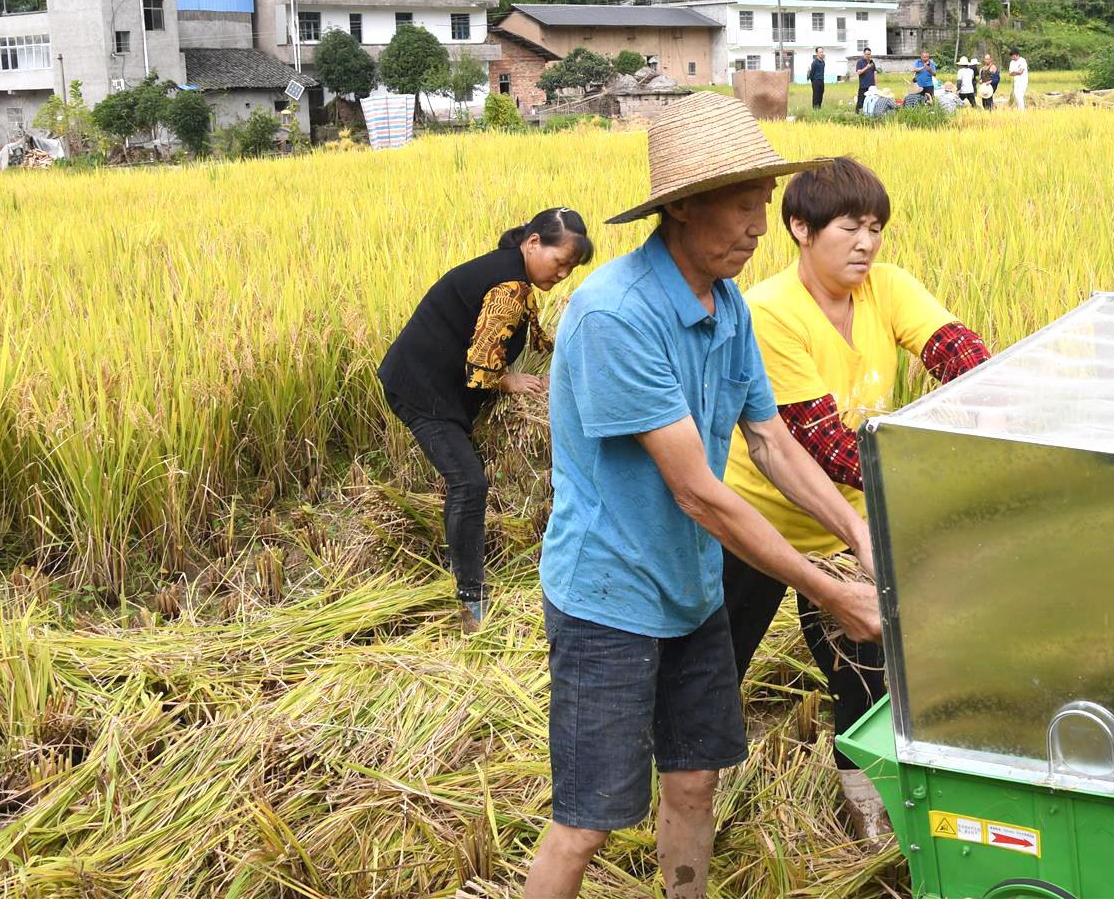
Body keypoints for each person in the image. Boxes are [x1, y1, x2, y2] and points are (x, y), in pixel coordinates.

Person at [526, 93, 882, 899]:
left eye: (764, 205)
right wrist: (830, 593)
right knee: (586, 819)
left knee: (694, 782)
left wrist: (857, 537)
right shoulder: (616, 313)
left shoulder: (725, 308)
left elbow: (772, 441)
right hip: (610, 600)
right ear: (682, 208)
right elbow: (700, 494)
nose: (760, 226)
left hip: (690, 595)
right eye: (743, 206)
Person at [721, 157, 992, 838]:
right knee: (720, 659)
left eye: (876, 228)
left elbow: (957, 351)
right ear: (801, 229)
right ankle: (697, 785)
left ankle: (866, 802)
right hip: (759, 521)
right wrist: (934, 475)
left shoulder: (887, 286)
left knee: (866, 665)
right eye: (850, 227)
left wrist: (995, 404)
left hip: (850, 525)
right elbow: (822, 445)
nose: (867, 243)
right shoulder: (769, 312)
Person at [379, 208, 595, 632]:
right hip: (421, 389)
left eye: (571, 268)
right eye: (560, 261)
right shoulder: (508, 286)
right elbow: (481, 368)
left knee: (467, 475)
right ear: (533, 243)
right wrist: (508, 380)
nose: (563, 274)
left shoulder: (508, 272)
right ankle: (472, 601)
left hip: (429, 381)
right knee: (469, 482)